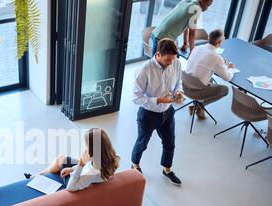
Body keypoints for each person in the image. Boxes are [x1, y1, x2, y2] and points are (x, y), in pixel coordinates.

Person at [131, 39, 183, 185]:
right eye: (167, 59)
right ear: (158, 54)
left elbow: (179, 81)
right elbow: (136, 98)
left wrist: (179, 92)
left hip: (168, 112)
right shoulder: (144, 70)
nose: (170, 63)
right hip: (148, 114)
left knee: (169, 143)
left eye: (173, 59)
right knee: (142, 143)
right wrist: (159, 100)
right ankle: (135, 165)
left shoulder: (176, 62)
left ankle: (166, 169)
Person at [24, 128, 120, 192]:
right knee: (61, 158)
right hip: (85, 169)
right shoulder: (112, 157)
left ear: (93, 148)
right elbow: (90, 165)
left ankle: (36, 177)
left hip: (76, 180)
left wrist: (80, 165)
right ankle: (38, 175)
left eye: (86, 144)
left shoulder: (92, 172)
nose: (85, 146)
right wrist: (72, 169)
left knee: (60, 163)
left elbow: (71, 188)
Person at [184, 28, 234, 120]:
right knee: (225, 90)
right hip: (196, 91)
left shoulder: (197, 48)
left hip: (185, 86)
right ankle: (199, 106)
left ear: (208, 37)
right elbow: (227, 77)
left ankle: (198, 107)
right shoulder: (216, 57)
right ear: (220, 41)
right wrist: (230, 69)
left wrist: (220, 62)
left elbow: (203, 63)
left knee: (209, 78)